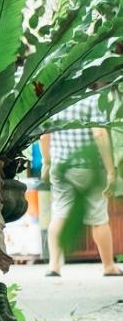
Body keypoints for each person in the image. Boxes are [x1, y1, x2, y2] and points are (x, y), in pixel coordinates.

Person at [43, 94, 119, 277]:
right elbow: (99, 133)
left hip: (61, 167)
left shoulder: (55, 99)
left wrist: (47, 162)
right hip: (89, 168)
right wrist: (110, 171)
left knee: (60, 213)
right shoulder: (92, 100)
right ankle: (108, 266)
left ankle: (54, 266)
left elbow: (44, 134)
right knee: (98, 217)